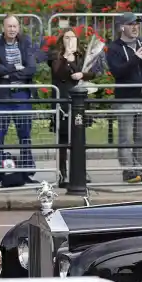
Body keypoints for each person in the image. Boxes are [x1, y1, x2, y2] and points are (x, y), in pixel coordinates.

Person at [106, 13, 142, 184]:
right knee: (126, 138)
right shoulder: (114, 48)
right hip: (126, 99)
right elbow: (117, 72)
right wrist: (136, 58)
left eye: (137, 24)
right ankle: (128, 171)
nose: (135, 28)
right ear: (122, 27)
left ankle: (138, 169)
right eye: (131, 24)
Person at [0, 15, 38, 185]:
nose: (12, 29)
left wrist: (7, 72)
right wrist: (16, 68)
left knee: (24, 134)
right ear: (3, 27)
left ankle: (26, 171)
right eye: (9, 26)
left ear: (18, 28)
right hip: (1, 96)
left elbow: (31, 68)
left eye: (15, 26)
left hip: (21, 95)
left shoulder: (26, 43)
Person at [49, 29, 95, 185]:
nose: (69, 40)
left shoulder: (81, 55)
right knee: (63, 138)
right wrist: (66, 57)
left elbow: (93, 72)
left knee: (79, 137)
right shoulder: (56, 56)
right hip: (62, 99)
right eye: (66, 38)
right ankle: (62, 173)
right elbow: (58, 72)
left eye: (72, 37)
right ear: (62, 40)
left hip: (79, 100)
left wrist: (83, 75)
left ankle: (80, 171)